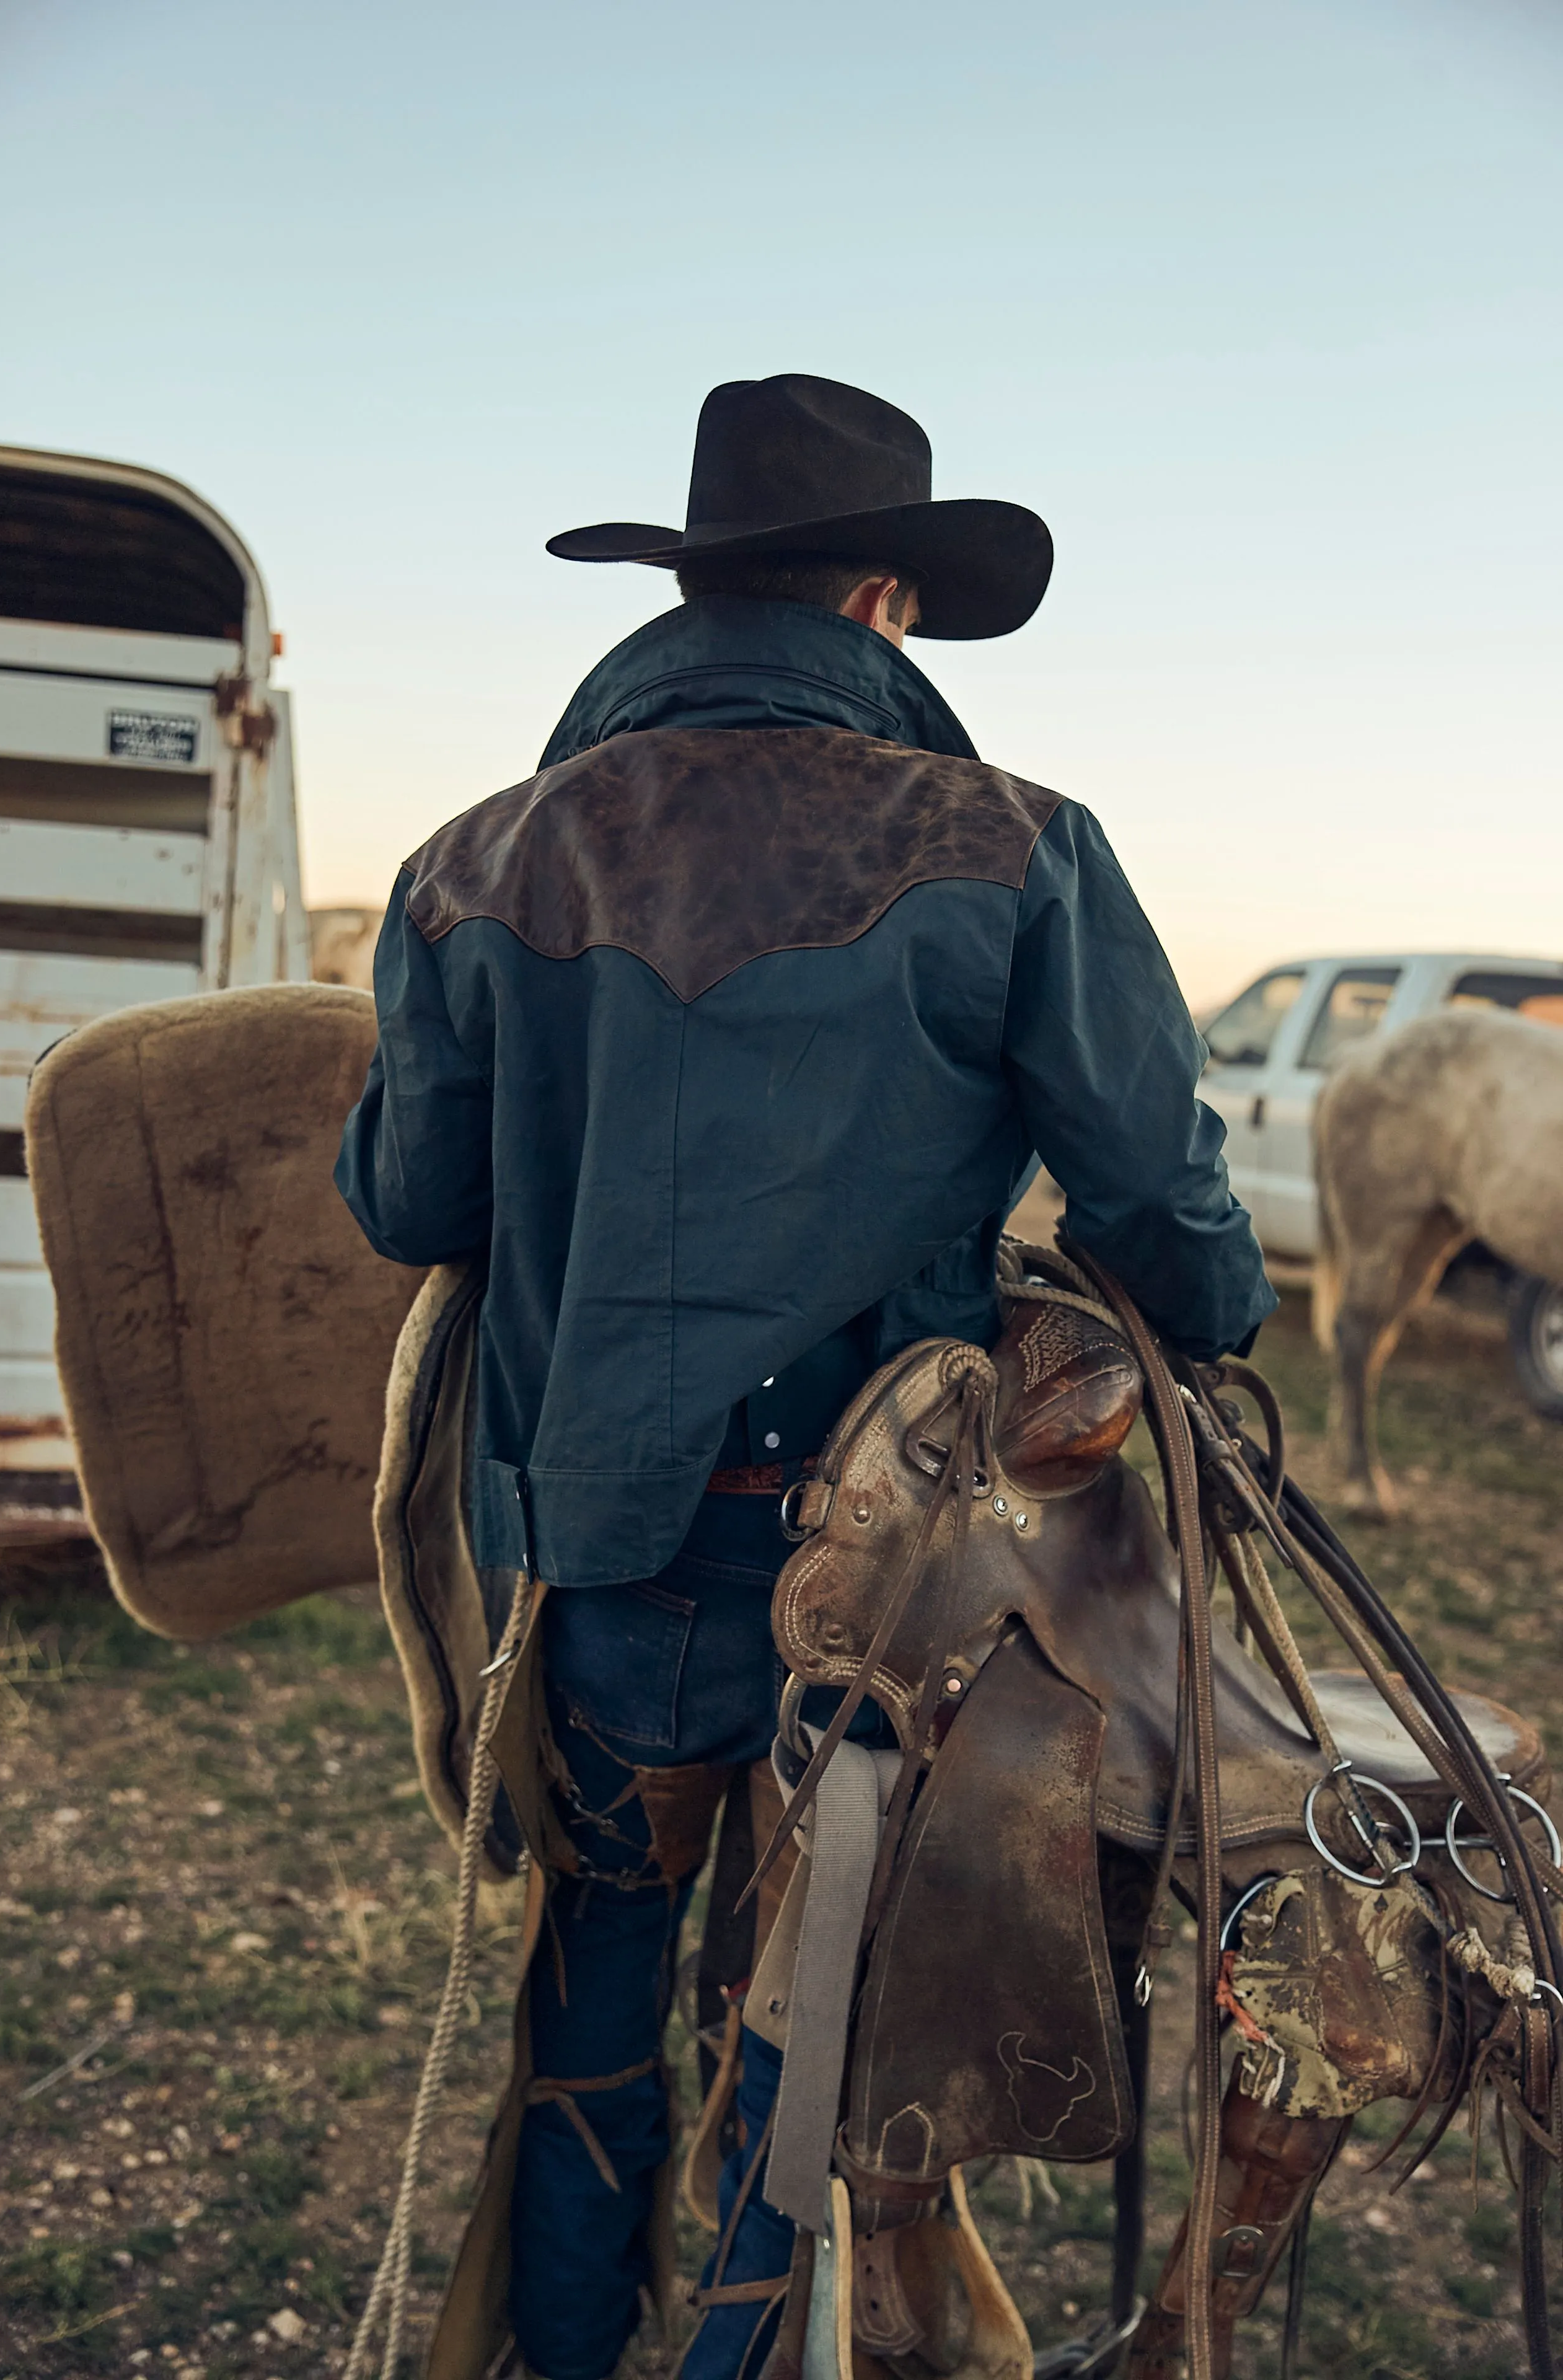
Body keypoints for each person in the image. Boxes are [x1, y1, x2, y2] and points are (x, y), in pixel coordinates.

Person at [335, 372, 1275, 2380]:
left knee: (593, 1977)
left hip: (593, 1555)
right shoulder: (1022, 851)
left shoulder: (474, 861)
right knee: (807, 2027)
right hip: (891, 1586)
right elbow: (1163, 1206)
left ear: (696, 590)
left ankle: (571, 2348)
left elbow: (407, 1195)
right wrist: (1217, 1304)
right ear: (881, 604)